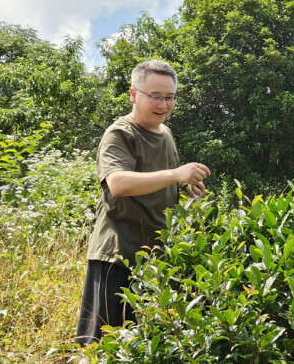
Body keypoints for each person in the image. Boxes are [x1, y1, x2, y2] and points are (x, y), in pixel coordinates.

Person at [75, 60, 210, 345]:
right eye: (155, 96)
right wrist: (175, 173)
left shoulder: (166, 133)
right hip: (118, 256)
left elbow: (157, 181)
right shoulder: (121, 134)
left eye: (170, 97)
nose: (164, 104)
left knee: (147, 344)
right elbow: (118, 183)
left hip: (156, 258)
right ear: (134, 94)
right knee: (105, 346)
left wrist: (182, 187)